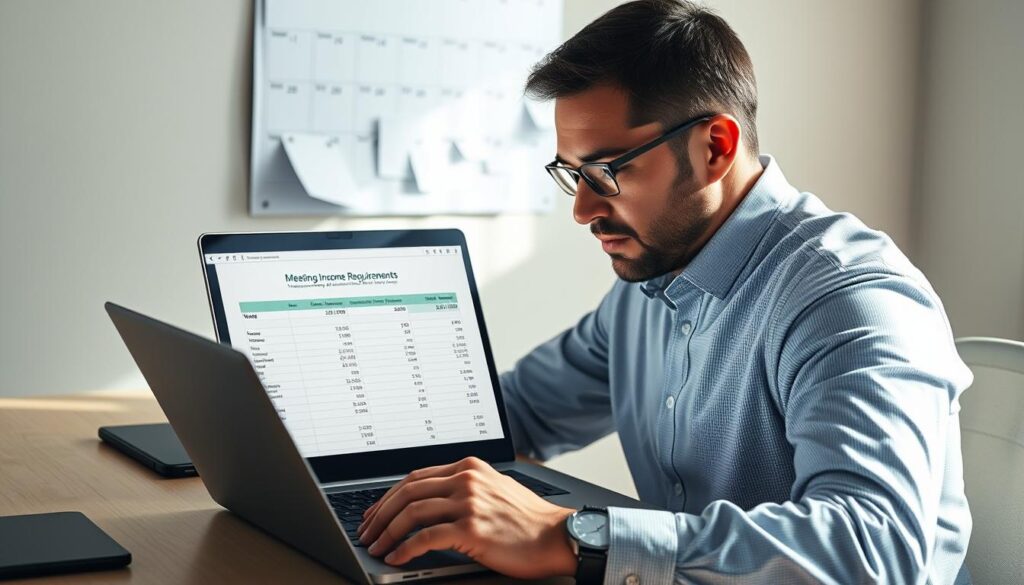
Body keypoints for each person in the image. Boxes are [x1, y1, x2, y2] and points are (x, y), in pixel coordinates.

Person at [356, 1, 973, 582]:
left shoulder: (849, 299)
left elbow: (874, 551)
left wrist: (571, 537)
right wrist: (326, 451)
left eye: (606, 172)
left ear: (715, 147)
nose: (582, 209)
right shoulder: (649, 286)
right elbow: (514, 416)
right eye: (572, 173)